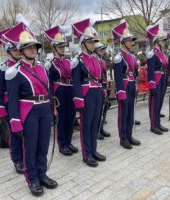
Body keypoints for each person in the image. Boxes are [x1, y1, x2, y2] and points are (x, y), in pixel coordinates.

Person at [4, 22, 57, 196]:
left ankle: (42, 174)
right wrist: (15, 122)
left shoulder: (42, 67)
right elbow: (12, 100)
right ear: (21, 50)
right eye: (28, 47)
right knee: (31, 148)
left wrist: (53, 109)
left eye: (34, 46)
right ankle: (32, 178)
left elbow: (49, 91)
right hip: (28, 112)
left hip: (44, 110)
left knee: (43, 146)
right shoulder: (14, 71)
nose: (33, 50)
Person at [71, 19, 106, 167]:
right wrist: (78, 100)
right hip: (86, 94)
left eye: (94, 42)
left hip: (97, 92)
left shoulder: (96, 59)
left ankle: (94, 150)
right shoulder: (77, 60)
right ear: (83, 44)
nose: (94, 44)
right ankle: (87, 154)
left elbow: (101, 76)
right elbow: (76, 82)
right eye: (90, 42)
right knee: (86, 125)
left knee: (96, 123)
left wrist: (103, 89)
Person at [44, 26, 78, 156]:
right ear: (53, 48)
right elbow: (48, 83)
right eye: (59, 47)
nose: (62, 49)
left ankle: (68, 142)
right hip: (59, 93)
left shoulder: (69, 61)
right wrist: (51, 98)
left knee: (70, 118)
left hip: (70, 91)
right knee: (61, 120)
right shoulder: (50, 64)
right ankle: (62, 144)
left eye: (63, 46)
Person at [0, 27, 23, 173]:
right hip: (9, 106)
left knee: (26, 134)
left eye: (18, 48)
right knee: (15, 134)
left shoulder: (25, 67)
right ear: (7, 50)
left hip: (25, 106)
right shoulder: (2, 69)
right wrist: (0, 111)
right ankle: (17, 160)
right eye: (13, 49)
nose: (17, 51)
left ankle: (26, 157)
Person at [112, 19, 141, 149]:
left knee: (131, 113)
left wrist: (136, 83)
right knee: (123, 114)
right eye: (129, 40)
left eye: (131, 40)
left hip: (131, 86)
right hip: (124, 87)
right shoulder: (119, 57)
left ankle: (129, 135)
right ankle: (123, 138)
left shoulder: (132, 56)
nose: (131, 42)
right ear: (123, 42)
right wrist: (121, 92)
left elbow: (134, 73)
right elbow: (118, 77)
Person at [146, 23, 169, 135]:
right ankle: (153, 125)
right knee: (155, 103)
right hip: (156, 80)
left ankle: (158, 123)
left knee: (159, 103)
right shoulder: (152, 53)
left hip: (163, 78)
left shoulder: (161, 52)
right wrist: (152, 84)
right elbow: (150, 70)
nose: (163, 42)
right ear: (157, 41)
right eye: (162, 40)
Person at [94, 42, 111, 140]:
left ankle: (101, 128)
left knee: (103, 109)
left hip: (103, 87)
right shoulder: (95, 60)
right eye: (100, 49)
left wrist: (105, 88)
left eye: (103, 49)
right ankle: (96, 131)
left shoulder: (103, 61)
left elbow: (105, 75)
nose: (102, 51)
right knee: (97, 112)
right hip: (97, 87)